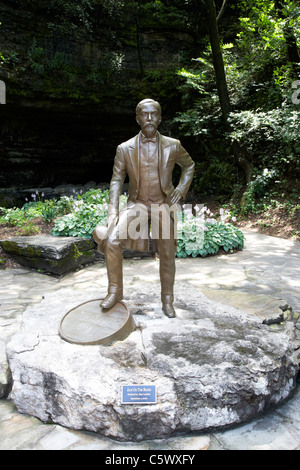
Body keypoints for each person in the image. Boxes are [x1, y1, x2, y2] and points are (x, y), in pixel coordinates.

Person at [93, 98, 195, 317]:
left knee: (167, 252)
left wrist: (181, 189)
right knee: (111, 241)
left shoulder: (173, 145)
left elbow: (189, 166)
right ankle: (115, 291)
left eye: (154, 114)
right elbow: (116, 181)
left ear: (159, 117)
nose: (150, 119)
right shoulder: (125, 148)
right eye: (145, 114)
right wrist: (112, 211)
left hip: (163, 205)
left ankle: (168, 300)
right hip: (137, 204)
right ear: (138, 118)